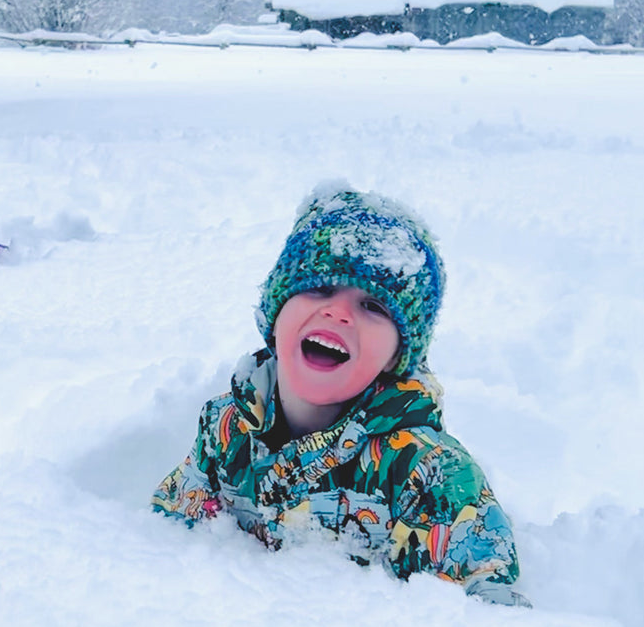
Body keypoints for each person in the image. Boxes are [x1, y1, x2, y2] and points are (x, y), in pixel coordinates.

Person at [152, 183, 526, 605]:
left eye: (374, 307)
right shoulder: (226, 428)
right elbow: (165, 538)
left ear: (396, 356)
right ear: (276, 312)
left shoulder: (429, 472)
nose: (338, 312)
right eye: (320, 288)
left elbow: (487, 617)